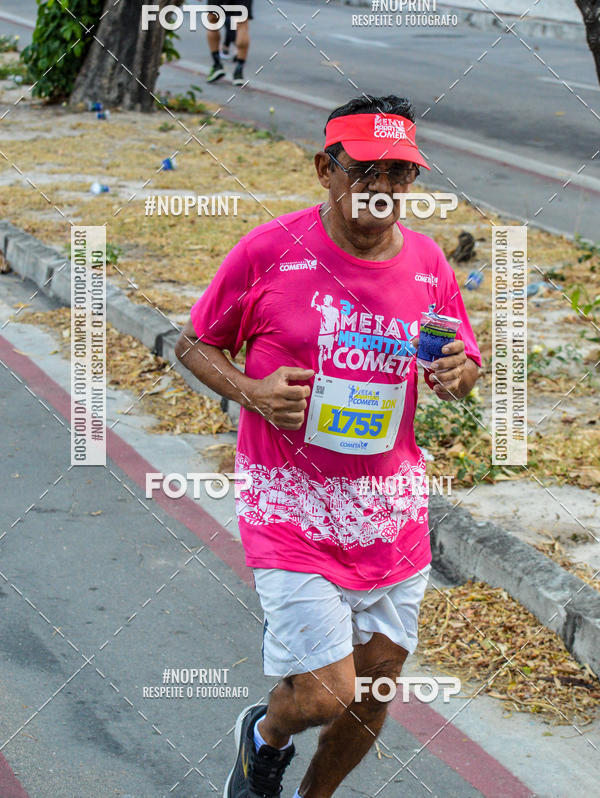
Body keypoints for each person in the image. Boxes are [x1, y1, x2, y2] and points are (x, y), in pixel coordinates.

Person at [175, 94, 481, 798]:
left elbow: (455, 359)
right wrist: (250, 391)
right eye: (365, 170)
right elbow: (196, 343)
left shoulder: (429, 264)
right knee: (324, 694)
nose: (382, 189)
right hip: (291, 505)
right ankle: (267, 735)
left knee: (372, 692)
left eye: (399, 173)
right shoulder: (267, 252)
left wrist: (460, 371)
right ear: (326, 169)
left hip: (388, 509)